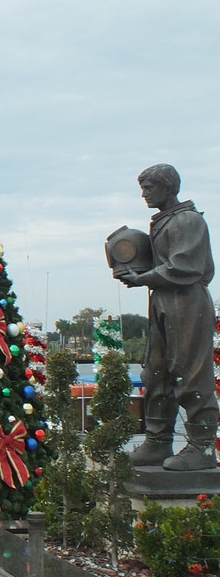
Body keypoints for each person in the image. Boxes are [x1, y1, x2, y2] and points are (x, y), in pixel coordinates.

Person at [113, 164, 218, 471]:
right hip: (163, 300)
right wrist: (141, 274)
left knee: (191, 371)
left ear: (168, 188)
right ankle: (158, 442)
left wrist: (142, 278)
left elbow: (184, 267)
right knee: (156, 372)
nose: (144, 194)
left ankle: (201, 446)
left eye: (149, 188)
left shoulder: (187, 220)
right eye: (142, 188)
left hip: (187, 302)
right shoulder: (163, 221)